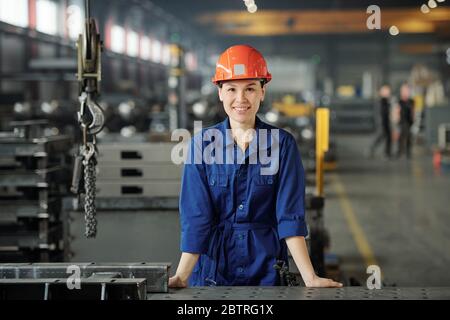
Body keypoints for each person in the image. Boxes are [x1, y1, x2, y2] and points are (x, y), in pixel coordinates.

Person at [169, 45, 342, 288]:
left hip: (267, 271)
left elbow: (290, 216)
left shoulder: (282, 145)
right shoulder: (202, 145)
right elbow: (196, 218)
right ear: (219, 92)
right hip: (213, 274)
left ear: (262, 91)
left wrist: (310, 278)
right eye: (231, 89)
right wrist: (182, 275)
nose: (240, 99)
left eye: (250, 88)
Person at [368, 85, 392, 158]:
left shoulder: (387, 101)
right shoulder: (380, 101)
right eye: (386, 91)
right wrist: (381, 123)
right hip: (382, 122)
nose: (388, 92)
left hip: (386, 121)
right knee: (381, 136)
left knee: (388, 137)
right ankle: (371, 149)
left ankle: (387, 153)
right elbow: (379, 113)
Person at [396, 84, 415, 158]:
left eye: (407, 90)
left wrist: (413, 119)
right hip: (402, 121)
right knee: (403, 135)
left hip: (409, 121)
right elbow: (397, 111)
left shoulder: (411, 101)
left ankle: (407, 152)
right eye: (404, 90)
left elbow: (413, 111)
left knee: (408, 136)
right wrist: (397, 120)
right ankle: (400, 151)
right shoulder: (400, 101)